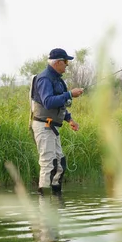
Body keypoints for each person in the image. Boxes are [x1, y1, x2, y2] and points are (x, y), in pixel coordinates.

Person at [29, 48, 84, 196]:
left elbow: (61, 103)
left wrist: (69, 119)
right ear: (58, 62)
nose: (67, 65)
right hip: (43, 126)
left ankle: (56, 200)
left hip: (52, 127)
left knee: (59, 164)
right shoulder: (44, 79)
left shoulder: (58, 80)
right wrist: (70, 93)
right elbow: (48, 102)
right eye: (66, 62)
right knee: (48, 164)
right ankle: (44, 200)